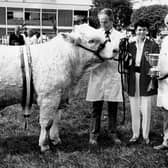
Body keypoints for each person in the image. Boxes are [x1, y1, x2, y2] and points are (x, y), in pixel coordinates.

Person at [86, 8, 124, 145]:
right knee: (96, 106)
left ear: (112, 21)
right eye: (101, 22)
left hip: (113, 73)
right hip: (98, 72)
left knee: (113, 106)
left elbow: (123, 55)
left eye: (106, 22)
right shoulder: (95, 35)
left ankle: (112, 132)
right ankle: (94, 134)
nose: (103, 25)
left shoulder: (120, 36)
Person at [127, 19, 160, 145]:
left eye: (144, 29)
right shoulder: (130, 45)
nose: (141, 31)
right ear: (135, 31)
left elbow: (155, 64)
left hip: (146, 77)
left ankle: (145, 135)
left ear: (147, 31)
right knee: (134, 106)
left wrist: (153, 76)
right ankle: (135, 134)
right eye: (139, 29)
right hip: (133, 77)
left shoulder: (153, 45)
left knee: (146, 107)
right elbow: (125, 63)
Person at [154, 14, 168, 150]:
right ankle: (166, 141)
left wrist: (164, 74)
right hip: (163, 84)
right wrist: (157, 71)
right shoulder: (165, 40)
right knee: (165, 113)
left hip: (166, 78)